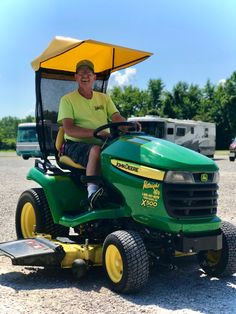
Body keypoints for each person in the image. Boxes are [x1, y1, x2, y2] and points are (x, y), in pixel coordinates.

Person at [57, 59, 127, 208]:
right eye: (81, 73)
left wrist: (129, 126)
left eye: (89, 73)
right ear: (75, 77)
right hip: (73, 144)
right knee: (95, 151)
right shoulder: (67, 100)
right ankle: (93, 194)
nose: (85, 76)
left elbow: (117, 118)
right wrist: (97, 133)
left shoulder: (104, 98)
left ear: (94, 77)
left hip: (104, 142)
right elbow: (69, 129)